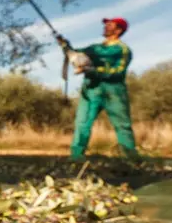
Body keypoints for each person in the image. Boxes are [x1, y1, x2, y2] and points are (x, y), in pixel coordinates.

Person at [58, 17, 138, 161]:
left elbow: (118, 71)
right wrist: (65, 46)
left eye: (110, 24)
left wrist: (93, 70)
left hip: (114, 92)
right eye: (106, 24)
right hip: (90, 90)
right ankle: (76, 157)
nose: (106, 26)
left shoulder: (123, 50)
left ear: (119, 30)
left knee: (122, 125)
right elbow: (75, 54)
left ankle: (131, 158)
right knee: (82, 123)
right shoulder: (94, 48)